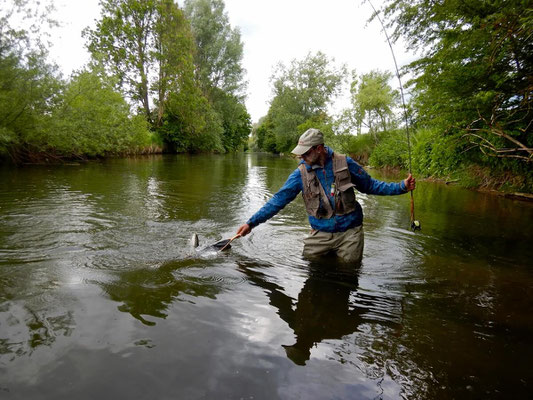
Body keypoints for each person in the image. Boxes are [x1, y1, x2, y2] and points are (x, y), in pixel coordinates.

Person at [236, 128, 416, 264]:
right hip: (319, 234)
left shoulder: (345, 163)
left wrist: (401, 186)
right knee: (311, 269)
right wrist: (251, 223)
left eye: (305, 153)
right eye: (300, 154)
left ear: (319, 148)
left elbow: (370, 185)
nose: (301, 157)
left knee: (348, 276)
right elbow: (277, 201)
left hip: (350, 234)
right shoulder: (300, 174)